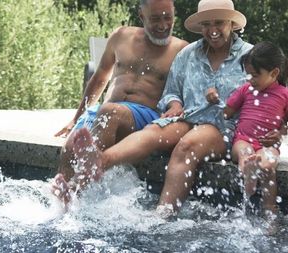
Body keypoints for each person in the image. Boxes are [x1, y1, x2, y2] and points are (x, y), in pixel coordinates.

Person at [66, 0, 279, 216]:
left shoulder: (251, 56)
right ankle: (94, 167)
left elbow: (273, 94)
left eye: (219, 23)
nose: (212, 30)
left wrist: (273, 129)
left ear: (232, 24)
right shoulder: (189, 54)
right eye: (206, 24)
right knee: (152, 131)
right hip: (187, 118)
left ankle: (163, 213)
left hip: (224, 125)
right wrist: (174, 103)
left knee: (187, 144)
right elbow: (171, 91)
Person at [52, 0, 188, 196]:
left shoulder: (181, 49)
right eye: (156, 18)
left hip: (144, 116)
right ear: (142, 16)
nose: (163, 25)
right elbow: (100, 77)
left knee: (110, 111)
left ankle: (79, 186)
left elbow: (186, 91)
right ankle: (63, 199)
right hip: (105, 112)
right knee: (70, 145)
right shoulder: (121, 36)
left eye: (168, 18)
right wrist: (76, 118)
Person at [218, 41, 288, 217]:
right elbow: (227, 113)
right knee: (245, 151)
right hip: (243, 139)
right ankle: (249, 172)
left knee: (268, 165)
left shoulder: (287, 95)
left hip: (268, 146)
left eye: (255, 75)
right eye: (248, 75)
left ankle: (269, 211)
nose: (250, 79)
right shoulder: (245, 90)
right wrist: (215, 99)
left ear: (274, 73)